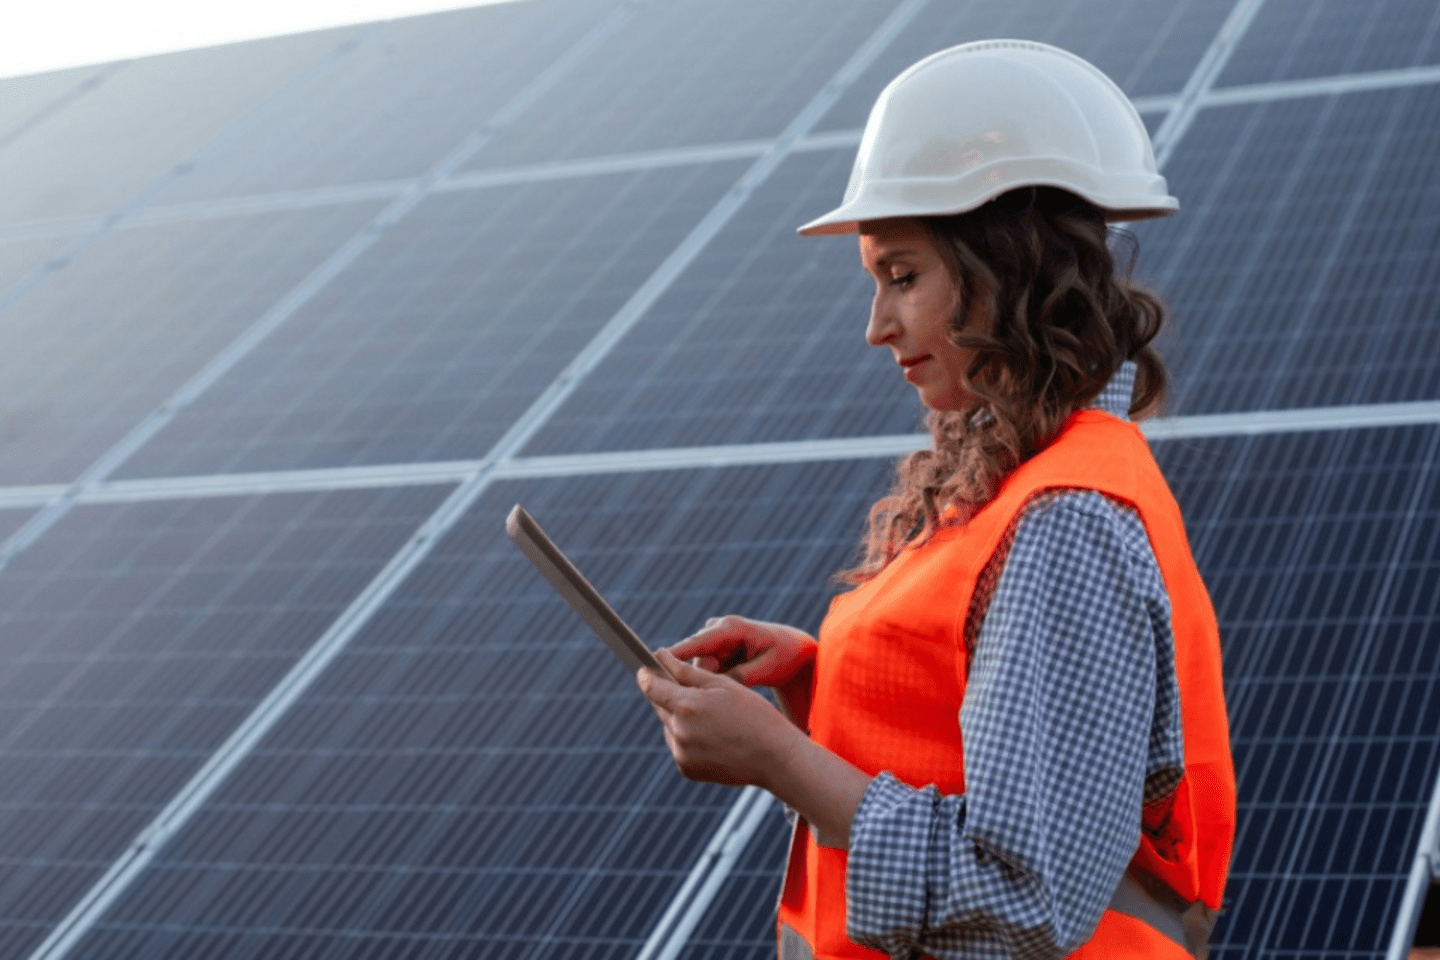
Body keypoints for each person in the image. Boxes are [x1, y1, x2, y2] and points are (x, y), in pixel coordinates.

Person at [637, 40, 1235, 960]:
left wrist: (781, 762)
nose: (876, 327)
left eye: (903, 276)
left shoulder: (1066, 523)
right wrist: (819, 684)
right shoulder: (1014, 489)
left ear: (1010, 266)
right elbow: (971, 718)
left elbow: (1022, 904)